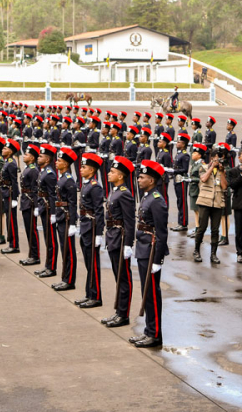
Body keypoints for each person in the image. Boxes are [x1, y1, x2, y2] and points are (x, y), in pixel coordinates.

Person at [128, 160, 169, 348]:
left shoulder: (157, 200)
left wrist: (158, 259)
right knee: (146, 293)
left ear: (151, 180)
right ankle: (148, 331)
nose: (139, 179)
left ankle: (155, 334)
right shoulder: (147, 196)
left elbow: (161, 232)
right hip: (144, 248)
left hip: (152, 251)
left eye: (142, 177)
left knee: (152, 294)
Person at [101, 156, 136, 327]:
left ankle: (124, 314)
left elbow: (130, 221)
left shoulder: (125, 194)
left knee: (124, 278)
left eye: (112, 172)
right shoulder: (115, 190)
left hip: (121, 239)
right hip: (113, 237)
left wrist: (128, 244)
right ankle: (118, 312)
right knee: (118, 276)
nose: (108, 174)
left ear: (121, 176)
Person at [75, 153, 106, 308]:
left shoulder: (95, 187)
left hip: (92, 229)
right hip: (85, 227)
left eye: (84, 167)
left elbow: (99, 211)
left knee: (93, 264)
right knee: (89, 264)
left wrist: (99, 234)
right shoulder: (87, 184)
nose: (81, 169)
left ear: (92, 170)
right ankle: (89, 294)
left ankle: (96, 297)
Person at [194, 147, 228, 264]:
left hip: (217, 203)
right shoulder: (203, 167)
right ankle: (196, 250)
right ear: (212, 158)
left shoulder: (222, 170)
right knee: (202, 228)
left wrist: (222, 172)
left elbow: (224, 186)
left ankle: (213, 254)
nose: (220, 161)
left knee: (215, 230)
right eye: (218, 158)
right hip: (204, 202)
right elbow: (203, 179)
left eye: (221, 159)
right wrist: (212, 167)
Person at [51, 147, 79, 291]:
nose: (56, 162)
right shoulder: (62, 177)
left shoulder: (68, 180)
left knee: (69, 251)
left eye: (59, 161)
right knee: (64, 249)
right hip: (61, 216)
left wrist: (73, 223)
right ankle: (64, 278)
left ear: (66, 164)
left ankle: (69, 281)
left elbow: (73, 203)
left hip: (67, 218)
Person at [34, 144, 59, 278]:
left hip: (49, 210)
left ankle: (52, 267)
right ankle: (47, 265)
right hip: (44, 208)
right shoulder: (43, 171)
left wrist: (54, 213)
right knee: (47, 239)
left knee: (51, 241)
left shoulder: (49, 174)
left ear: (47, 160)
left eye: (41, 156)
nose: (38, 158)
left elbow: (52, 195)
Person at [19, 145, 41, 266]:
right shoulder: (29, 168)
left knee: (32, 230)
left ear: (32, 158)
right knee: (28, 229)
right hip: (25, 201)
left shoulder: (33, 170)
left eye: (26, 155)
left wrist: (36, 205)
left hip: (30, 203)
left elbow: (35, 189)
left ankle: (35, 256)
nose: (24, 156)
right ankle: (31, 254)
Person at [0, 139, 21, 254]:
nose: (3, 149)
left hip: (9, 193)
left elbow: (14, 181)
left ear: (10, 151)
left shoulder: (12, 163)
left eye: (5, 148)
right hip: (5, 192)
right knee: (9, 219)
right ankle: (11, 243)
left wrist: (14, 197)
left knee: (11, 220)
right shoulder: (7, 161)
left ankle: (14, 245)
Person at [170, 134, 191, 232]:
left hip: (181, 180)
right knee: (179, 201)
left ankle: (183, 223)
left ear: (183, 144)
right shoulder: (179, 153)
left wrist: (173, 171)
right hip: (176, 179)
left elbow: (185, 169)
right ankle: (180, 222)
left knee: (182, 202)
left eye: (179, 142)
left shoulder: (185, 155)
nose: (177, 143)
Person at [187, 143, 206, 237]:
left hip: (198, 190)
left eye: (194, 153)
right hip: (193, 190)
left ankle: (199, 230)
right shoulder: (196, 164)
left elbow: (202, 178)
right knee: (195, 211)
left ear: (200, 155)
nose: (192, 154)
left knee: (199, 211)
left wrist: (191, 179)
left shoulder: (201, 165)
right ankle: (197, 228)